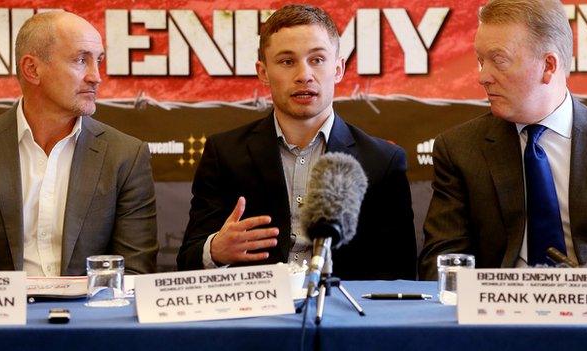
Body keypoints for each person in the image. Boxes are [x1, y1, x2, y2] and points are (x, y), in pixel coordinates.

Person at [177, 4, 416, 280]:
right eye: (287, 62)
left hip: (343, 317)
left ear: (338, 69)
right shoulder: (224, 153)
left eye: (317, 60)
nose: (304, 75)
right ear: (263, 72)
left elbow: (402, 277)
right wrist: (215, 250)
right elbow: (187, 261)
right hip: (256, 315)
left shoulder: (382, 161)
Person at [419, 0, 587, 279]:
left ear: (548, 66)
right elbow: (442, 263)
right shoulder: (460, 149)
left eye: (499, 60)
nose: (483, 77)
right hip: (497, 312)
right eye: (481, 61)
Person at [0, 11, 158, 275]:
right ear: (32, 69)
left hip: (88, 314)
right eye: (80, 60)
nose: (96, 77)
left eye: (98, 61)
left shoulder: (126, 156)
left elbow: (133, 274)